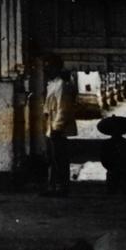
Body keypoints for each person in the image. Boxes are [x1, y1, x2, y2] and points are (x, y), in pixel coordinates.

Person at [42, 54, 77, 197]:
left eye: (49, 66)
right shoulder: (52, 84)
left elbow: (63, 109)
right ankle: (53, 187)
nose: (46, 69)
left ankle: (61, 188)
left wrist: (57, 128)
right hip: (51, 127)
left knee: (59, 159)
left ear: (57, 68)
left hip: (58, 130)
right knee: (53, 158)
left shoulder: (62, 85)